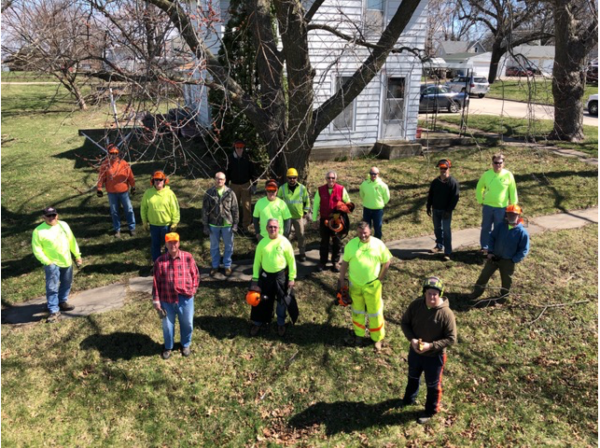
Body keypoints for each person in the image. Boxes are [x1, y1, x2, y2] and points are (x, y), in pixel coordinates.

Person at [400, 276, 457, 425]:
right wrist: (411, 339)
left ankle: (431, 410)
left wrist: (430, 346)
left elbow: (451, 338)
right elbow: (405, 323)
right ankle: (409, 399)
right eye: (429, 293)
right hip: (415, 353)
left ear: (440, 294)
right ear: (424, 293)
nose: (432, 297)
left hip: (434, 357)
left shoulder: (446, 314)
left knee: (433, 385)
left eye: (435, 294)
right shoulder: (416, 306)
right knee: (413, 377)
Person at [338, 221, 392, 351]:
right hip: (355, 285)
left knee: (375, 313)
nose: (363, 236)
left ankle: (377, 338)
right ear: (357, 232)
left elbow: (387, 261)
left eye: (365, 233)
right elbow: (345, 263)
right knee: (357, 312)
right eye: (360, 233)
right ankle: (359, 335)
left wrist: (380, 278)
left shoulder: (378, 244)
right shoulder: (351, 245)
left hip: (373, 285)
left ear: (370, 232)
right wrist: (341, 279)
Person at [468, 204, 530, 307]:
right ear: (506, 215)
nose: (511, 217)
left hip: (508, 261)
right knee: (484, 276)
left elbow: (524, 249)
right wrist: (490, 252)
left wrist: (514, 260)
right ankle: (476, 292)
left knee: (506, 281)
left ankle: (502, 298)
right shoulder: (500, 226)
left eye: (514, 215)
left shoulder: (522, 232)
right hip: (494, 258)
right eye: (509, 214)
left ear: (519, 216)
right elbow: (491, 238)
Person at [152, 232, 199, 359]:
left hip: (185, 298)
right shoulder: (160, 261)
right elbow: (156, 282)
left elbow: (196, 275)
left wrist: (193, 289)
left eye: (175, 242)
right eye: (170, 242)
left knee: (187, 323)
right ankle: (168, 346)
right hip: (167, 299)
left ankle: (185, 344)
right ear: (166, 244)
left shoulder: (188, 257)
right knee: (167, 325)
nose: (173, 245)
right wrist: (156, 301)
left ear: (179, 243)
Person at [31, 207, 83, 323]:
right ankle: (53, 310)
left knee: (67, 282)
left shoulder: (64, 225)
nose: (51, 218)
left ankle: (62, 302)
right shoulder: (38, 231)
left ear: (57, 216)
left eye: (53, 215)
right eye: (48, 216)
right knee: (52, 287)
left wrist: (77, 255)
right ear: (43, 217)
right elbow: (37, 249)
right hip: (51, 263)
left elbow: (72, 240)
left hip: (66, 260)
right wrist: (47, 261)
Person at [250, 219, 297, 337]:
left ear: (279, 228)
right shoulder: (262, 243)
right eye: (270, 227)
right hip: (265, 277)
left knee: (282, 302)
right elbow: (257, 263)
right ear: (266, 228)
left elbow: (292, 261)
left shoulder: (285, 242)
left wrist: (291, 278)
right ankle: (258, 322)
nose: (272, 229)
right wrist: (255, 279)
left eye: (275, 227)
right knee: (261, 300)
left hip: (281, 276)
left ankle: (280, 323)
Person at [476, 153, 518, 254]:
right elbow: (479, 187)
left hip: (501, 207)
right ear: (492, 163)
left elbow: (512, 190)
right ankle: (484, 247)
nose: (498, 165)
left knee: (499, 229)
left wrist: (514, 205)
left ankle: (496, 247)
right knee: (486, 227)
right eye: (495, 163)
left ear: (503, 164)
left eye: (500, 163)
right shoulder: (487, 175)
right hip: (488, 206)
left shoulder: (508, 175)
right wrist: (480, 200)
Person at [312, 170, 351, 272]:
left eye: (333, 178)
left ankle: (335, 262)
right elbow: (316, 206)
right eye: (329, 178)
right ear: (326, 179)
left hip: (336, 221)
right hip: (324, 220)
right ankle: (322, 262)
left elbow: (348, 204)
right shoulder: (320, 190)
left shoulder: (341, 189)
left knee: (337, 242)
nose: (331, 180)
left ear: (335, 179)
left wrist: (341, 208)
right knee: (324, 242)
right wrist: (314, 220)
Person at [202, 172, 239, 277]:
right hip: (213, 225)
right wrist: (205, 225)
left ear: (225, 180)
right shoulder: (209, 192)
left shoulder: (230, 192)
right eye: (218, 179)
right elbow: (205, 210)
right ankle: (215, 266)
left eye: (222, 179)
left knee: (229, 246)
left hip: (227, 224)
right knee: (214, 247)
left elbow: (235, 209)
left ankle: (227, 266)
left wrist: (235, 223)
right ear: (215, 179)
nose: (220, 181)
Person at [96, 143, 136, 238]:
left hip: (124, 192)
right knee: (114, 212)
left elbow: (130, 176)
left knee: (129, 210)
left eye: (115, 153)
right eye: (111, 153)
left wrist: (133, 186)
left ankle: (132, 227)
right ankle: (117, 229)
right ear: (108, 153)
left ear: (118, 153)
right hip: (112, 193)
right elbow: (101, 177)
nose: (113, 155)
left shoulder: (124, 163)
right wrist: (99, 188)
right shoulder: (105, 164)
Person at [141, 171, 180, 262]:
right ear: (153, 181)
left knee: (169, 246)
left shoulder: (169, 193)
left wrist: (175, 222)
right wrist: (144, 221)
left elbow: (175, 208)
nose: (158, 182)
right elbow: (143, 208)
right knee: (155, 246)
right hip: (154, 225)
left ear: (164, 181)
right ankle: (157, 265)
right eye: (156, 180)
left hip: (167, 226)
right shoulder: (148, 193)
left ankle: (169, 263)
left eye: (160, 180)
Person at [426, 159, 460, 261]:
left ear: (449, 168)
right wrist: (428, 206)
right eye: (441, 168)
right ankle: (439, 245)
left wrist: (449, 210)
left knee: (446, 231)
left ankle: (448, 252)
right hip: (436, 209)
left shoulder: (453, 182)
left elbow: (455, 198)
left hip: (446, 211)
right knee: (437, 228)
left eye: (445, 168)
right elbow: (431, 195)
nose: (443, 170)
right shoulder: (435, 182)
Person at [277, 168, 311, 261]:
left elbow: (307, 201)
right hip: (286, 217)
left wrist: (305, 212)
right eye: (290, 177)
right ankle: (285, 253)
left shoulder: (302, 188)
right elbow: (278, 202)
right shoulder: (282, 188)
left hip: (298, 217)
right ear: (287, 178)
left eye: (294, 177)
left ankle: (302, 253)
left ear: (297, 178)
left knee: (300, 235)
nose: (292, 179)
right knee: (285, 235)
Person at [226, 139, 256, 234]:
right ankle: (234, 224)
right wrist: (225, 185)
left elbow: (253, 172)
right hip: (234, 185)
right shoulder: (230, 158)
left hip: (245, 185)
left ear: (244, 148)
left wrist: (254, 184)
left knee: (247, 206)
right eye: (237, 147)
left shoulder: (248, 158)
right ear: (234, 147)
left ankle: (245, 226)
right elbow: (227, 172)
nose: (239, 149)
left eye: (241, 147)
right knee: (234, 206)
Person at [359, 166, 390, 239]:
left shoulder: (382, 185)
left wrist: (380, 204)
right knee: (366, 229)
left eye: (375, 174)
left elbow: (387, 198)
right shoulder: (364, 184)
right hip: (367, 209)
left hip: (378, 210)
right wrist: (367, 202)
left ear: (378, 174)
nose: (373, 175)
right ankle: (367, 243)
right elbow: (361, 194)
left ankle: (377, 244)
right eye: (371, 174)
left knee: (377, 228)